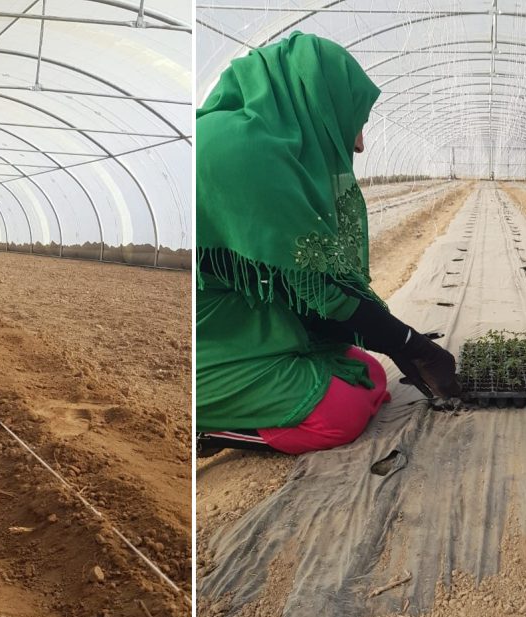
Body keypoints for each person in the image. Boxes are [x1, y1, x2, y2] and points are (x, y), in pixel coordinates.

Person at [195, 33, 460, 456]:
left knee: (368, 372)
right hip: (207, 344)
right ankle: (207, 432)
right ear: (319, 101)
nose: (358, 143)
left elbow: (310, 295)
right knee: (339, 416)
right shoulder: (243, 153)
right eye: (355, 120)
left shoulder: (266, 142)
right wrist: (413, 345)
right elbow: (315, 295)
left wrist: (400, 342)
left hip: (249, 326)